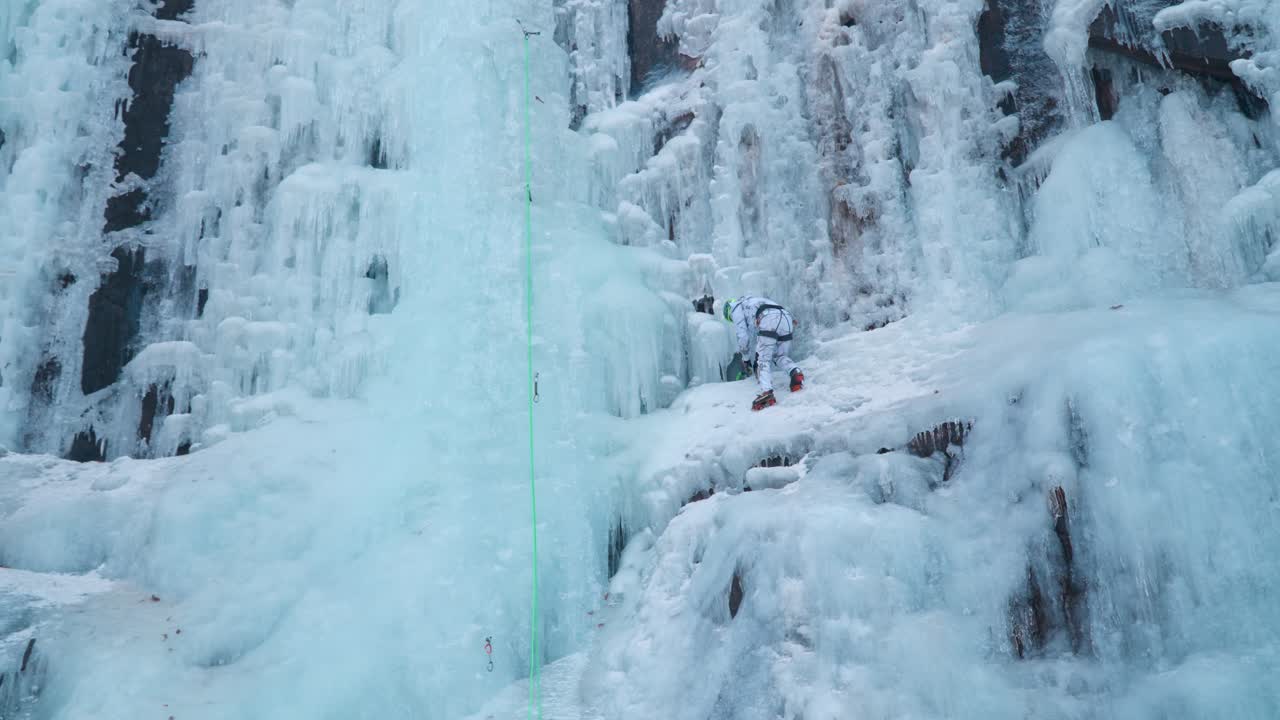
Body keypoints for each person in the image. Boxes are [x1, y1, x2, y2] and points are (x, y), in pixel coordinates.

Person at [723, 296, 804, 410]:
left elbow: (743, 337)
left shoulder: (735, 307)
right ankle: (796, 373)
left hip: (769, 319)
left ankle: (767, 393)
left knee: (763, 360)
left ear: (728, 310)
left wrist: (745, 358)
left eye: (731, 318)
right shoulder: (752, 300)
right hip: (786, 318)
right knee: (779, 356)